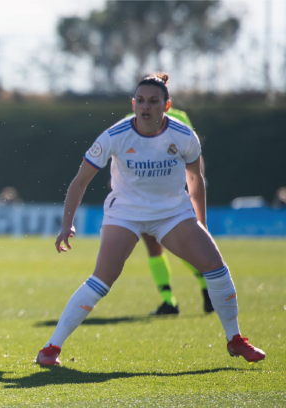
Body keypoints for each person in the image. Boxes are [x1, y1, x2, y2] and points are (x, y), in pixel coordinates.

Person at [36, 72, 266, 366]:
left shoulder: (184, 136)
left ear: (166, 106)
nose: (146, 107)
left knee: (216, 267)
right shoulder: (114, 135)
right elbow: (79, 181)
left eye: (154, 101)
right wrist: (66, 224)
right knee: (102, 280)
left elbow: (195, 181)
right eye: (140, 101)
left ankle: (235, 340)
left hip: (172, 213)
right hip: (126, 213)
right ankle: (51, 348)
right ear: (133, 103)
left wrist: (201, 223)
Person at [123, 105, 213, 315]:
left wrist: (195, 183)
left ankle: (179, 296)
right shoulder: (132, 119)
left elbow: (191, 152)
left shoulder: (175, 117)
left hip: (167, 195)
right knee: (162, 246)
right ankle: (177, 297)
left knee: (168, 246)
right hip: (147, 196)